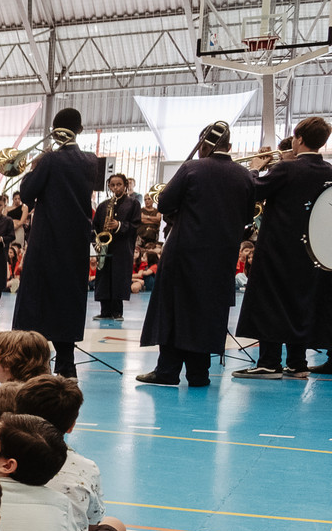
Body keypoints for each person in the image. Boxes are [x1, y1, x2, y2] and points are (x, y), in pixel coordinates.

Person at [137, 120, 259, 387]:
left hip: (184, 252)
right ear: (230, 145)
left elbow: (165, 202)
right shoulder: (245, 176)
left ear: (203, 145)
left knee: (174, 311)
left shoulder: (192, 168)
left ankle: (167, 371)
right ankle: (199, 373)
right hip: (222, 257)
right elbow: (249, 215)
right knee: (207, 314)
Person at [236, 117, 332, 377]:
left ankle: (268, 362)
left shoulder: (287, 169)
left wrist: (255, 168)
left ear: (299, 139)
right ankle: (297, 363)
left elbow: (252, 190)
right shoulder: (330, 172)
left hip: (278, 248)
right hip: (313, 251)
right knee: (301, 302)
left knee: (270, 301)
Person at [14, 109, 107, 376]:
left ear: (55, 130)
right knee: (68, 300)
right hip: (76, 241)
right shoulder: (91, 161)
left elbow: (27, 193)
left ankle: (32, 365)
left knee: (36, 300)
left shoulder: (49, 160)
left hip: (47, 239)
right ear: (80, 129)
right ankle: (66, 365)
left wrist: (34, 168)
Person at [12, 374, 127, 531]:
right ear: (71, 424)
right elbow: (91, 527)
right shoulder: (85, 467)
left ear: (16, 414)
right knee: (114, 525)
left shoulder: (0, 460)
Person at [92, 172, 141, 324]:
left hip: (122, 247)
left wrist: (118, 225)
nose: (115, 188)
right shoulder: (102, 205)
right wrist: (97, 243)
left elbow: (135, 224)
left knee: (119, 277)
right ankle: (104, 311)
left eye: (119, 184)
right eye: (112, 185)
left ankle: (117, 311)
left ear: (125, 185)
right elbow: (94, 227)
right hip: (106, 246)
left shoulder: (133, 204)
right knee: (103, 278)